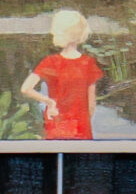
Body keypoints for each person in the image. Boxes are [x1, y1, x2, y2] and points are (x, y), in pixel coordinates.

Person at [21, 9, 103, 140]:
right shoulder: (88, 63)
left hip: (56, 122)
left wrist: (49, 102)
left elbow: (25, 89)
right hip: (81, 127)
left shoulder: (50, 62)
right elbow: (91, 105)